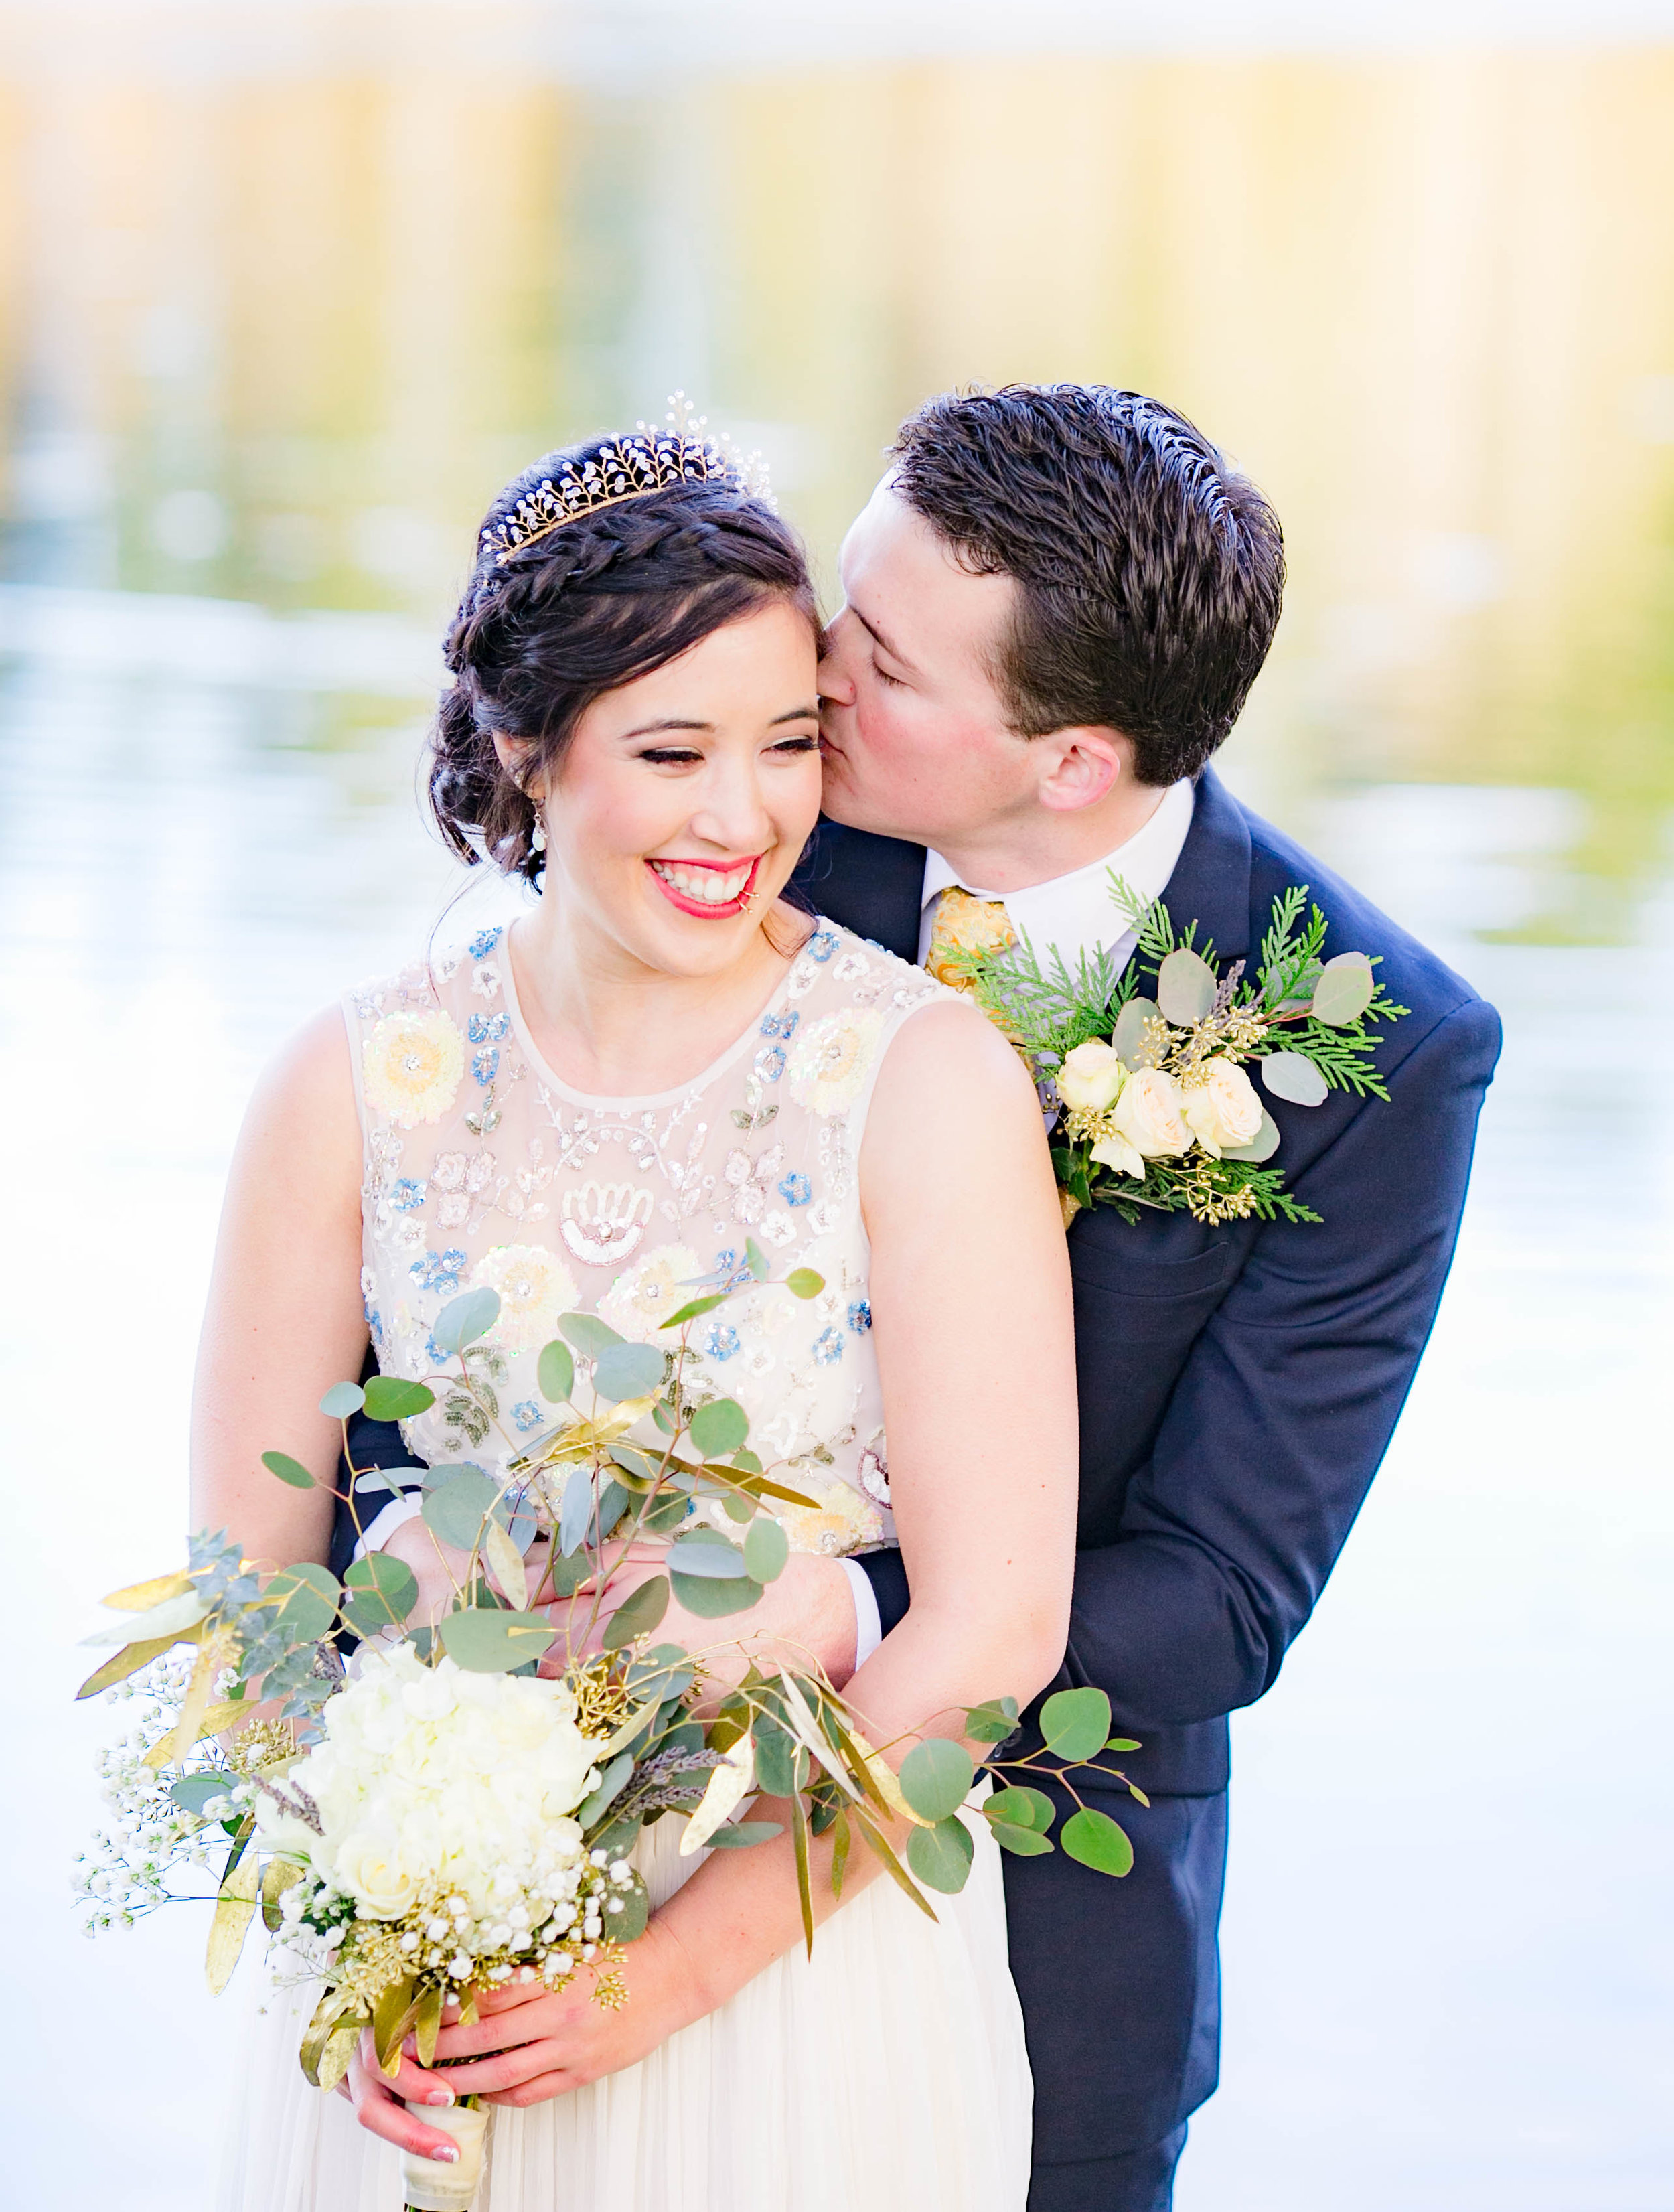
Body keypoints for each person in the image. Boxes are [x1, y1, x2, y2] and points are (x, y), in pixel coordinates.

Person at [341, 384, 1502, 2212]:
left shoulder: (1376, 1049)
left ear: (1061, 762)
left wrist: (839, 1610)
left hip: (1025, 1923)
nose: (800, 671)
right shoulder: (743, 831)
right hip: (539, 1841)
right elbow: (453, 1259)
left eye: (872, 661)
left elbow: (1220, 1600)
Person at [195, 421, 1079, 2212]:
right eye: (670, 752)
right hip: (430, 1994)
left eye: (786, 746)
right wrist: (365, 1903)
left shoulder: (917, 1075)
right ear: (526, 750)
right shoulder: (353, 1083)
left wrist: (659, 1982)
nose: (741, 818)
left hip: (805, 1994)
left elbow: (990, 1631)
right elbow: (246, 1595)